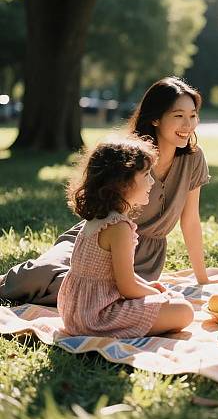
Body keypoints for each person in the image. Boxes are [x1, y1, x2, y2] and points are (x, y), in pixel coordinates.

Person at [0, 77, 214, 306]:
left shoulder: (194, 158)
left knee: (80, 292)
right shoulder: (130, 157)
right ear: (155, 118)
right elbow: (99, 203)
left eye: (193, 115)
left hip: (142, 258)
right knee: (39, 274)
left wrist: (202, 279)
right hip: (97, 239)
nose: (188, 125)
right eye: (178, 116)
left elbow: (190, 220)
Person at [58, 136, 194, 337]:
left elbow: (118, 275)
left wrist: (148, 286)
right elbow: (127, 287)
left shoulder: (99, 218)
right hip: (97, 316)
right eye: (146, 174)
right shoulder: (118, 227)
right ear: (122, 183)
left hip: (75, 312)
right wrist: (158, 295)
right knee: (184, 312)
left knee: (169, 297)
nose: (152, 181)